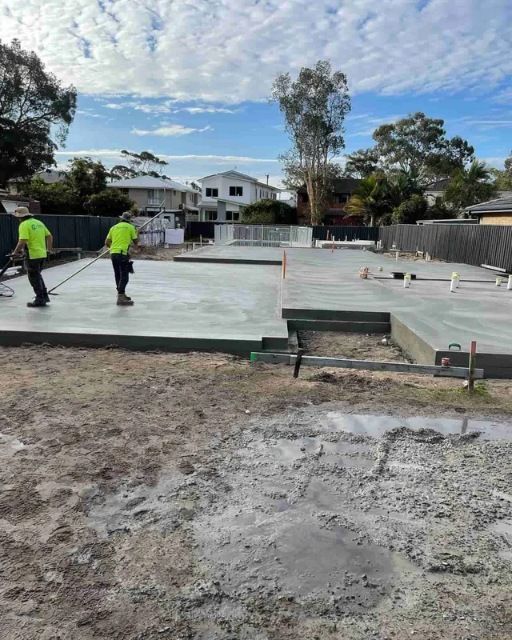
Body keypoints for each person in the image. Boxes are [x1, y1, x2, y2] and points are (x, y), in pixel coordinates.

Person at [11, 207, 53, 308]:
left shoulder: (24, 224)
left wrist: (15, 253)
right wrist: (49, 249)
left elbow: (22, 240)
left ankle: (39, 299)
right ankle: (44, 296)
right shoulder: (38, 222)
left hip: (32, 255)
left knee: (33, 277)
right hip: (42, 254)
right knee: (37, 275)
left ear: (20, 217)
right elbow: (49, 236)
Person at [105, 211, 139, 306]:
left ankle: (121, 294)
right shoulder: (131, 227)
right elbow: (136, 242)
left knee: (117, 275)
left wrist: (113, 248)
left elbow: (107, 242)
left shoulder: (113, 227)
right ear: (129, 220)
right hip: (122, 254)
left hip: (113, 253)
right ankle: (120, 297)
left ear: (121, 218)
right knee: (124, 276)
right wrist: (137, 233)